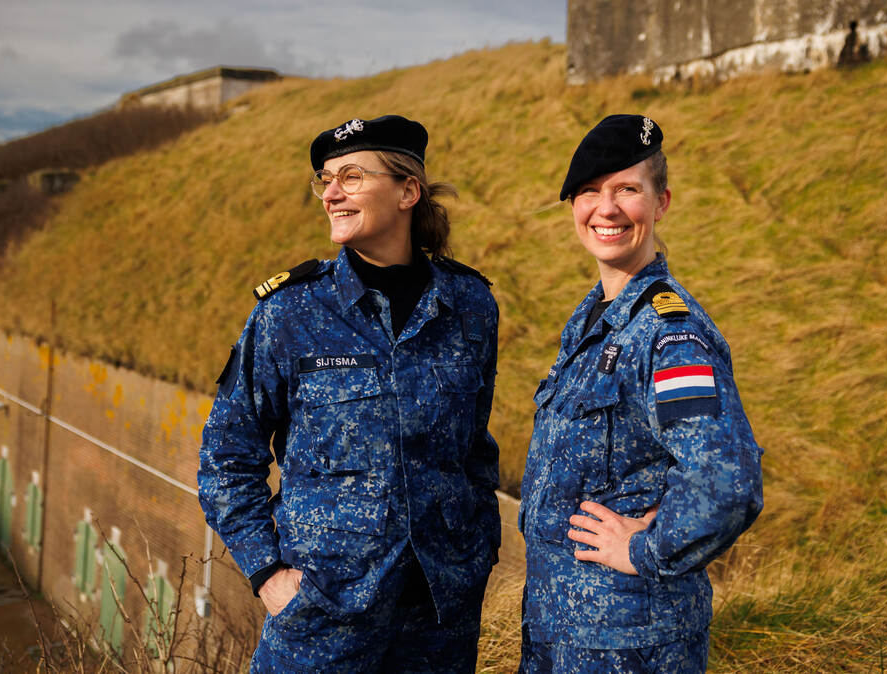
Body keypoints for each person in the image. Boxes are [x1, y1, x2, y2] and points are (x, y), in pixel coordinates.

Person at [198, 114, 502, 673]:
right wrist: (267, 573)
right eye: (326, 179)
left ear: (408, 190)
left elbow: (474, 451)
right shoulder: (289, 312)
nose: (331, 193)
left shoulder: (470, 306)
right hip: (321, 614)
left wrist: (477, 554)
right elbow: (226, 457)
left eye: (353, 177)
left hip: (439, 619)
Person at [519, 114, 764, 673]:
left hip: (630, 645)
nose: (605, 209)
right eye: (588, 193)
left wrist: (643, 549)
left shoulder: (668, 334)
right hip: (561, 636)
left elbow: (727, 480)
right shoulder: (593, 319)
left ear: (661, 203)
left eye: (626, 190)